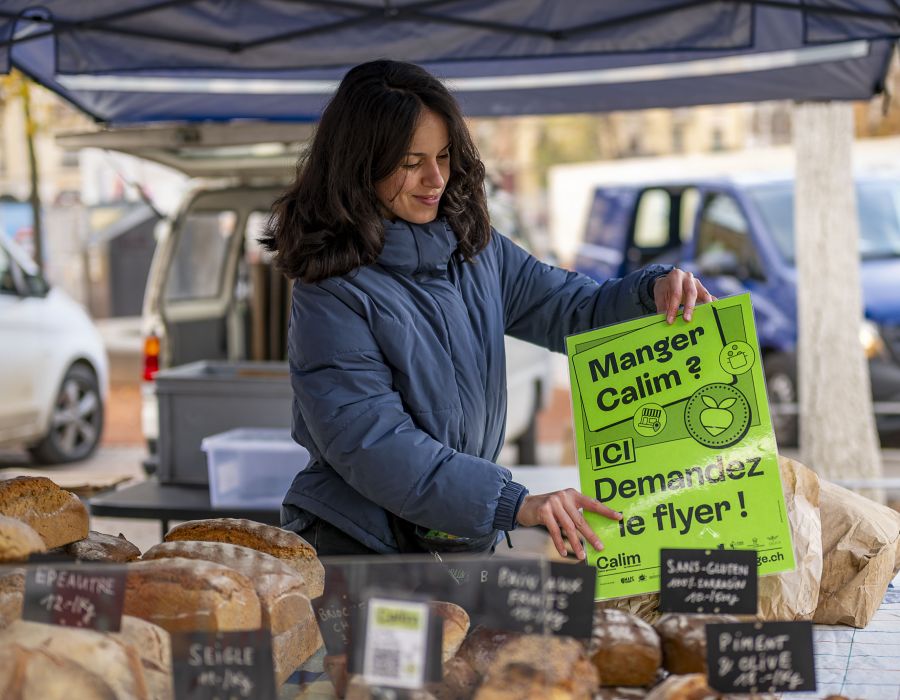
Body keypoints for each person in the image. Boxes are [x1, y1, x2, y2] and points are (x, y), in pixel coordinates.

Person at [262, 60, 714, 559]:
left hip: (454, 533)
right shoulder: (331, 290)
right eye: (411, 162)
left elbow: (574, 308)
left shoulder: (477, 252)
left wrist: (650, 293)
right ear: (359, 166)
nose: (435, 178)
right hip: (360, 544)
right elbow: (374, 444)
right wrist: (510, 502)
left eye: (444, 155)